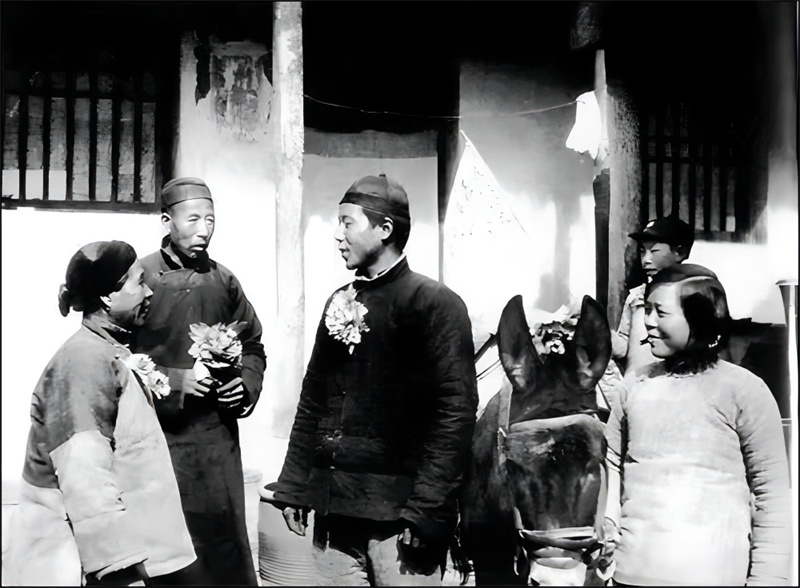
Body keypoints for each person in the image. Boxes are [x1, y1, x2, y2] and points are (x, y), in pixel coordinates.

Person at [269, 173, 478, 586]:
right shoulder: (339, 301)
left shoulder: (434, 304)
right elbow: (314, 399)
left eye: (347, 222)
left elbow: (455, 413)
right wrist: (294, 484)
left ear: (384, 229)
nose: (337, 234)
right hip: (336, 515)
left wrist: (426, 508)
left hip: (402, 524)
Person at [3, 241, 196, 586]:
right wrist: (120, 568)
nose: (149, 292)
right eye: (139, 282)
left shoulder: (108, 349)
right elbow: (84, 473)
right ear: (108, 297)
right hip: (66, 558)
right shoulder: (83, 362)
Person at [602, 263, 792, 585]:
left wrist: (768, 579)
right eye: (647, 309)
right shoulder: (633, 387)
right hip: (630, 578)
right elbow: (610, 465)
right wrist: (607, 529)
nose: (648, 321)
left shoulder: (745, 391)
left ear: (699, 317)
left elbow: (770, 496)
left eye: (661, 312)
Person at [131, 177, 266, 585]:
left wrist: (245, 384)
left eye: (210, 220)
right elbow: (119, 358)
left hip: (216, 439)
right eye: (193, 219)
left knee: (224, 549)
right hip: (161, 438)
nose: (204, 230)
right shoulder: (139, 279)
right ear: (166, 221)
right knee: (171, 553)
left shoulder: (223, 280)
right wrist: (174, 381)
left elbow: (253, 345)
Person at [611, 215, 694, 376]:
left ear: (679, 252)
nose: (646, 260)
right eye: (642, 251)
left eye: (654, 251)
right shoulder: (636, 296)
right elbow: (625, 348)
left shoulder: (692, 294)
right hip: (637, 381)